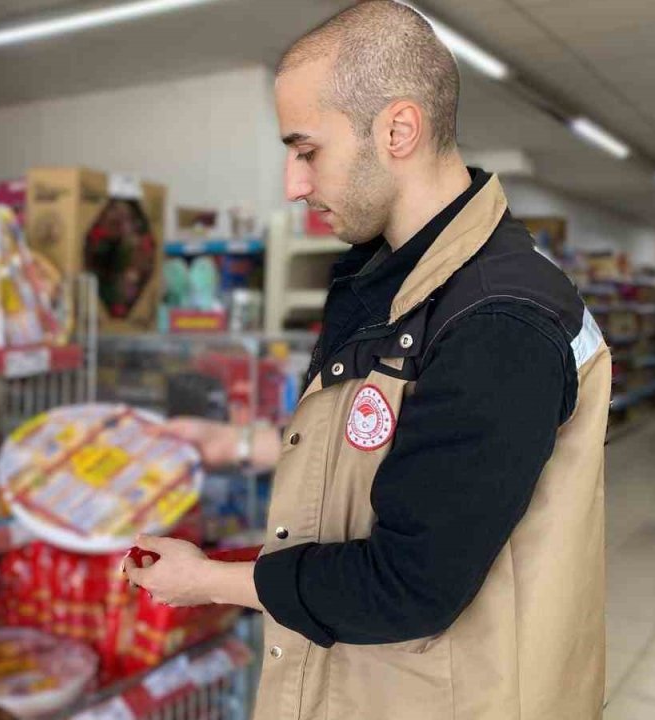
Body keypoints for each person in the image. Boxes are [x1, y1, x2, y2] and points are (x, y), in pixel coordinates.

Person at [122, 2, 611, 719]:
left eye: (307, 150)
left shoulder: (501, 318)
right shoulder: (396, 280)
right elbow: (384, 442)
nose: (292, 183)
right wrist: (245, 446)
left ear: (397, 130)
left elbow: (409, 583)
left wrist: (209, 581)